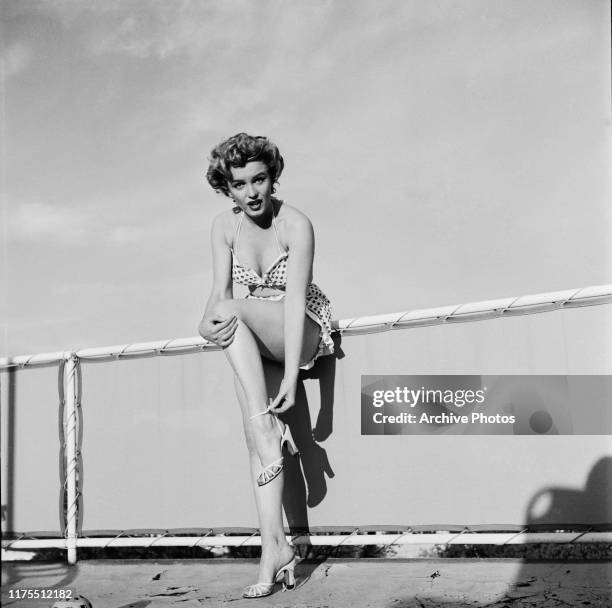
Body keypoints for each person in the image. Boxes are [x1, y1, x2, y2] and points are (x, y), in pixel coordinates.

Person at [198, 133, 334, 598]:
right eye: (240, 184)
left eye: (260, 179)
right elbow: (218, 298)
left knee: (234, 315)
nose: (252, 192)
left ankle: (265, 428)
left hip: (303, 330)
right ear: (227, 188)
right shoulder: (223, 226)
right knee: (257, 446)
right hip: (254, 330)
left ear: (273, 178)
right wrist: (203, 324)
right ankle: (272, 547)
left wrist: (294, 378)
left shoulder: (295, 223)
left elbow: (295, 301)